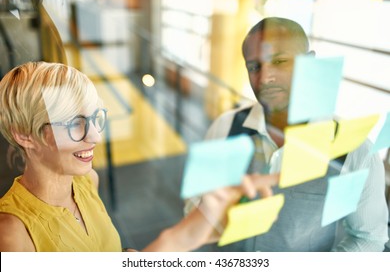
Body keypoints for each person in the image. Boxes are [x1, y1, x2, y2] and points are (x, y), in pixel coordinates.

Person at [0, 61, 279, 252]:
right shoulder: (11, 234)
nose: (95, 136)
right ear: (24, 135)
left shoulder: (86, 181)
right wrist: (174, 241)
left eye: (95, 118)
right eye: (73, 124)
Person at [186, 17, 389, 251]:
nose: (265, 78)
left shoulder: (355, 151)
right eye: (254, 67)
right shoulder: (224, 128)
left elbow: (369, 238)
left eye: (280, 61)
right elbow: (194, 203)